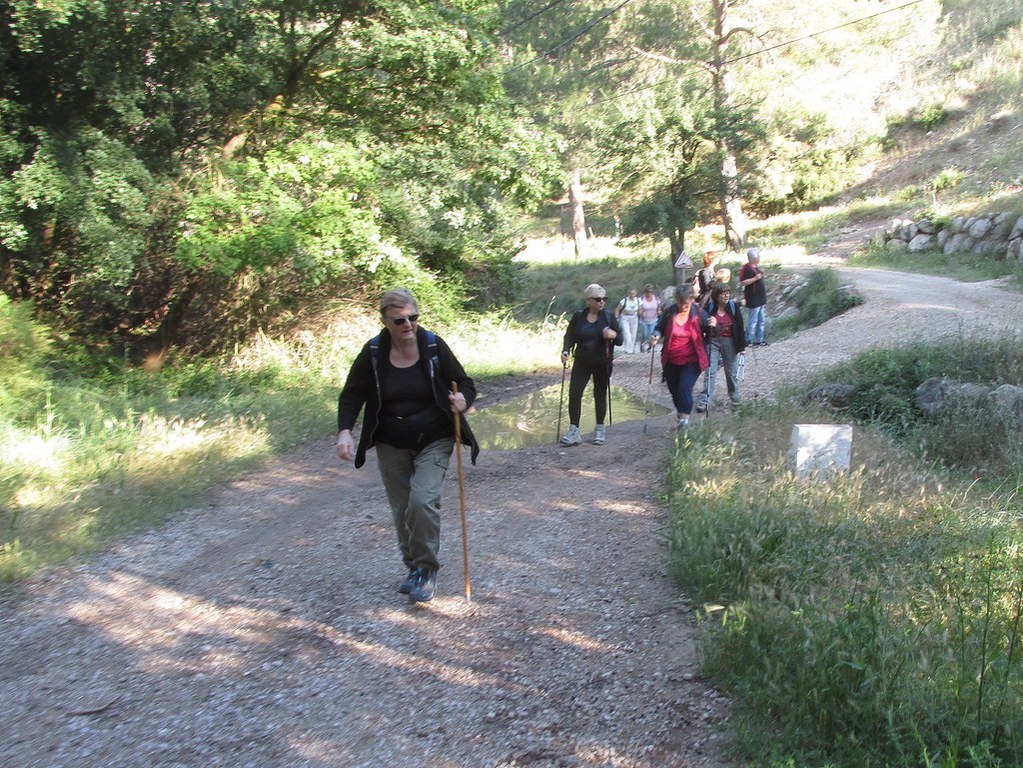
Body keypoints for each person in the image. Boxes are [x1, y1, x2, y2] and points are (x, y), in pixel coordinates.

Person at [336, 288, 479, 604]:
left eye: (413, 317)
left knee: (421, 501)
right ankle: (414, 568)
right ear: (385, 321)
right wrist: (345, 432)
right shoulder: (373, 353)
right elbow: (351, 395)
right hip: (391, 441)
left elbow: (466, 383)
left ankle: (427, 571)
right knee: (402, 509)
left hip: (435, 436)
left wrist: (462, 399)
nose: (407, 325)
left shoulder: (432, 345)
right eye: (399, 320)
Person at [560, 283, 621, 446]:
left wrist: (612, 334)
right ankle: (574, 431)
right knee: (574, 394)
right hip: (582, 361)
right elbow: (569, 336)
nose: (602, 302)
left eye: (604, 299)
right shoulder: (579, 317)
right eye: (598, 299)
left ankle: (600, 429)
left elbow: (620, 340)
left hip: (603, 362)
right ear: (589, 300)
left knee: (599, 394)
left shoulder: (608, 317)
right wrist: (565, 351)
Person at [650, 284, 709, 430]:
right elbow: (659, 327)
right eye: (680, 302)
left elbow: (712, 328)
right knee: (674, 390)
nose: (683, 306)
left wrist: (713, 324)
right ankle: (681, 413)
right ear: (676, 300)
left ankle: (684, 423)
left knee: (684, 388)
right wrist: (656, 335)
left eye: (687, 303)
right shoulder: (670, 312)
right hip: (671, 360)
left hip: (692, 360)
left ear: (692, 300)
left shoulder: (698, 312)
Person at [696, 283, 746, 412]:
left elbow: (740, 327)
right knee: (710, 371)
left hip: (730, 342)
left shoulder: (734, 307)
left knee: (731, 372)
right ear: (717, 296)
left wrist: (741, 347)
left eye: (728, 292)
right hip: (713, 342)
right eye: (723, 293)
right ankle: (705, 400)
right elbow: (702, 325)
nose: (726, 295)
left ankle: (735, 398)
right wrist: (709, 325)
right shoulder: (710, 307)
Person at [739, 247, 768, 346]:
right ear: (755, 258)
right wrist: (755, 278)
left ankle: (759, 339)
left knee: (761, 320)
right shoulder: (746, 269)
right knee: (753, 320)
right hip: (753, 298)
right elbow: (743, 282)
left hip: (760, 298)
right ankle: (749, 339)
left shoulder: (755, 268)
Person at [637, 284, 661, 353]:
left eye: (650, 292)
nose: (649, 293)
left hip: (654, 319)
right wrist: (641, 313)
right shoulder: (641, 299)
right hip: (644, 320)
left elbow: (659, 306)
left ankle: (650, 347)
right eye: (647, 292)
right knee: (644, 334)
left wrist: (659, 310)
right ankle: (642, 345)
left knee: (651, 334)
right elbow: (640, 309)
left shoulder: (656, 298)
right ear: (645, 292)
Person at [615, 288, 640, 354]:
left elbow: (640, 309)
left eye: (633, 294)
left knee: (633, 334)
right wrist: (617, 318)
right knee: (627, 333)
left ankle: (632, 349)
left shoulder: (638, 300)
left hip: (634, 318)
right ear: (629, 294)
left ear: (636, 294)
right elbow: (617, 309)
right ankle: (628, 349)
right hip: (625, 318)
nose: (632, 295)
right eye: (631, 294)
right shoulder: (624, 301)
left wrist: (641, 314)